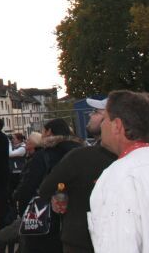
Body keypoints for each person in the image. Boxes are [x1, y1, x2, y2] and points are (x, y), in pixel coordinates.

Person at [36, 98, 115, 253]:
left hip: (84, 238)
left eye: (97, 112)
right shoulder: (86, 149)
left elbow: (46, 187)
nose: (90, 115)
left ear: (114, 121)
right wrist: (62, 193)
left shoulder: (82, 154)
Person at [87, 90, 149, 253]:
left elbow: (118, 246)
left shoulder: (118, 177)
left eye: (105, 119)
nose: (101, 125)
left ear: (117, 126)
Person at [19, 118, 83, 253]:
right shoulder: (83, 151)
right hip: (77, 217)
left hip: (47, 217)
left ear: (49, 132)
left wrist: (17, 198)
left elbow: (29, 186)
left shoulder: (43, 155)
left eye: (43, 131)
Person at [0, 132, 44, 253]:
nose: (26, 144)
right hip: (30, 208)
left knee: (1, 239)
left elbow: (28, 184)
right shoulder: (36, 157)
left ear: (34, 144)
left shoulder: (35, 159)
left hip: (32, 210)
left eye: (28, 142)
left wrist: (16, 195)